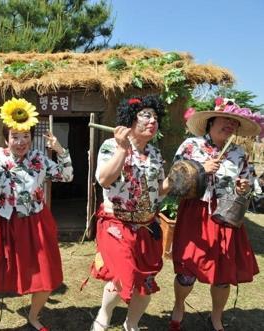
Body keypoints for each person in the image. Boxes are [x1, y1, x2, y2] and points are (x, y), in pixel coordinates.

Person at [0, 97, 73, 331]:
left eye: (25, 136)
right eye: (15, 136)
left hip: (35, 224)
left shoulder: (39, 159)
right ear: (7, 137)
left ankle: (33, 317)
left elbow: (67, 176)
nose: (20, 142)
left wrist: (59, 149)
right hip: (3, 224)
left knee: (45, 277)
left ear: (32, 137)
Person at [169, 98, 261, 331]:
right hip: (196, 214)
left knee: (223, 273)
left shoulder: (239, 153)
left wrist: (243, 187)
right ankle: (179, 306)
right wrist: (201, 169)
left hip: (226, 215)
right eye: (226, 119)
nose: (230, 125)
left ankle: (216, 316)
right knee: (187, 269)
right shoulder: (191, 146)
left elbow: (248, 182)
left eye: (234, 122)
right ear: (211, 121)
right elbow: (175, 180)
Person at [88, 95, 170, 331]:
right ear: (130, 119)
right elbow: (104, 180)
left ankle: (131, 323)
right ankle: (104, 315)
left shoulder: (154, 153)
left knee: (146, 282)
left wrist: (176, 180)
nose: (152, 120)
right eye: (146, 115)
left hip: (147, 225)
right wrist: (123, 150)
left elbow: (158, 192)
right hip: (116, 222)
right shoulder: (111, 146)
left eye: (155, 116)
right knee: (123, 276)